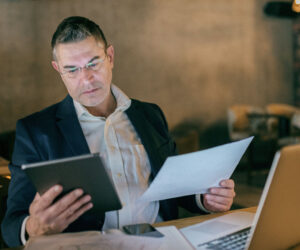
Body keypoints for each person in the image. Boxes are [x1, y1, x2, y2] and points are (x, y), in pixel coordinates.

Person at [1, 16, 236, 247]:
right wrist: (34, 227)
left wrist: (205, 199)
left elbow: (173, 186)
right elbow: (11, 227)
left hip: (162, 242)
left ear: (110, 57)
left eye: (93, 63)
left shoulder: (150, 115)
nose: (86, 79)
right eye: (72, 70)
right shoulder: (35, 131)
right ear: (58, 69)